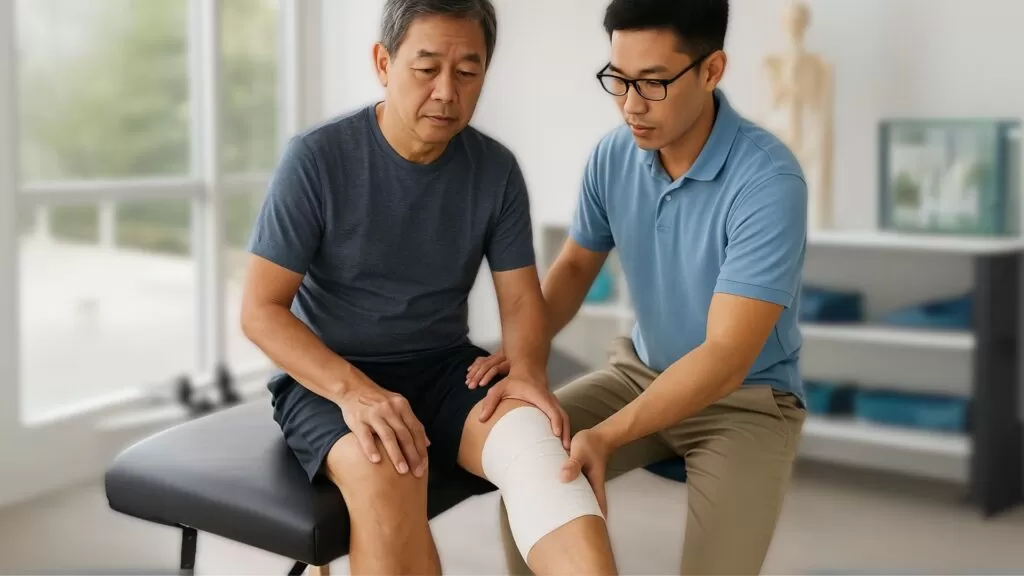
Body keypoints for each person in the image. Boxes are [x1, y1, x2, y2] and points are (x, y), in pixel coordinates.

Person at [240, 0, 616, 574]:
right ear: (383, 63)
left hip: (445, 370)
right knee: (389, 469)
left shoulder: (495, 170)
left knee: (543, 458)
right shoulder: (316, 159)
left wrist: (526, 372)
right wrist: (355, 392)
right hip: (328, 378)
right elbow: (260, 310)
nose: (446, 92)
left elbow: (521, 299)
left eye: (467, 72)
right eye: (426, 68)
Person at [467, 0, 809, 573]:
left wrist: (604, 437)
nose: (630, 104)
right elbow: (575, 268)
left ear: (712, 70)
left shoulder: (768, 181)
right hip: (639, 374)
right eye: (618, 80)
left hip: (746, 400)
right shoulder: (613, 156)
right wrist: (523, 347)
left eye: (653, 83)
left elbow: (726, 358)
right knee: (532, 481)